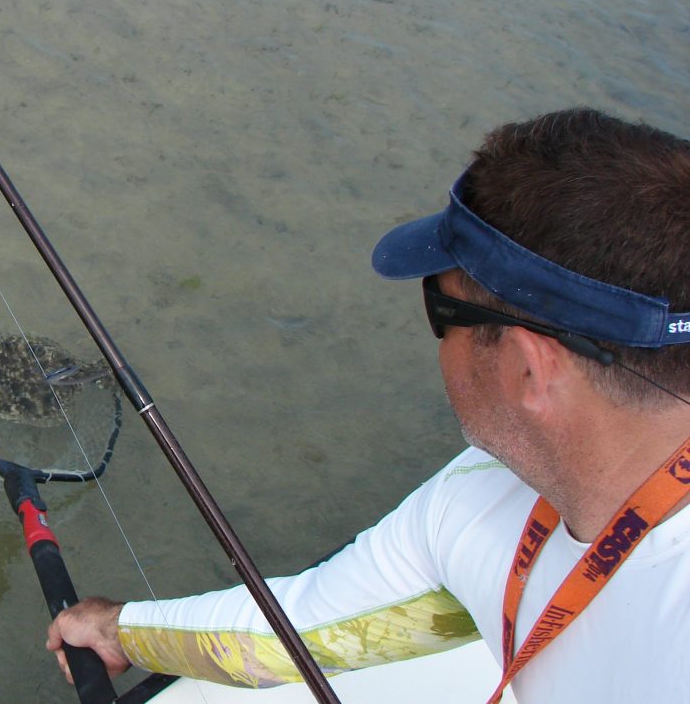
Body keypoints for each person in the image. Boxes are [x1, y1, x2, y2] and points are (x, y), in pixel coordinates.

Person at [46, 109, 690, 701]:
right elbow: (287, 634)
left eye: (440, 308)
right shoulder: (479, 495)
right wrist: (116, 629)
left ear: (528, 367)